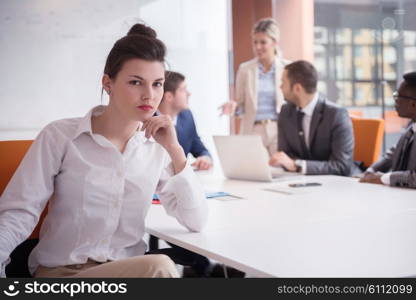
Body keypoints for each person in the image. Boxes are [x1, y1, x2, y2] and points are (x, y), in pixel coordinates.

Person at [0, 23, 208, 278]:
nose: (149, 95)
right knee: (160, 268)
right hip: (63, 274)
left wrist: (175, 150)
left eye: (157, 84)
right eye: (135, 82)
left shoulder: (155, 148)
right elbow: (20, 212)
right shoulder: (60, 137)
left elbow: (195, 220)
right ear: (107, 83)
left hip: (125, 273)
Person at [269, 60, 357, 176]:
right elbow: (285, 155)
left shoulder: (337, 115)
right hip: (298, 182)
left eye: (283, 83)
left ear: (297, 89)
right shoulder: (286, 112)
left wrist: (297, 165)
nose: (280, 87)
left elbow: (341, 166)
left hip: (335, 186)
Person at [220, 18, 290, 156]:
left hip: (279, 130)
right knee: (254, 173)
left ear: (274, 42)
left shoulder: (287, 68)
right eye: (255, 42)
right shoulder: (245, 69)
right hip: (252, 130)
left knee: (281, 172)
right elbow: (241, 104)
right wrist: (234, 107)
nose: (258, 47)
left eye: (263, 42)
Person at [360, 72, 416, 188]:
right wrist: (370, 171)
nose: (395, 101)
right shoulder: (412, 125)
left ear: (413, 104)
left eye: (398, 96)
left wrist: (383, 178)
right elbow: (395, 152)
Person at [158, 71, 212, 170]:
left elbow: (199, 148)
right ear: (169, 96)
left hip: (180, 180)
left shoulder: (186, 116)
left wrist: (205, 158)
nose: (189, 94)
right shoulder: (147, 121)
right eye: (183, 90)